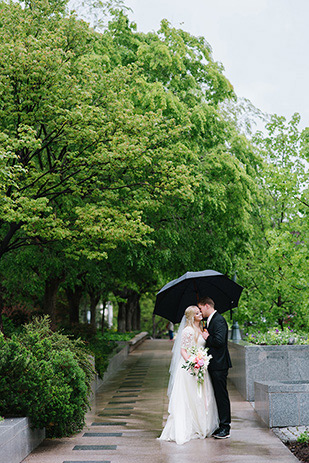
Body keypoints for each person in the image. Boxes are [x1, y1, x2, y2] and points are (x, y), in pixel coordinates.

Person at [159, 305, 219, 445]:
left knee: (202, 397)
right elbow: (183, 351)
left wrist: (202, 361)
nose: (200, 314)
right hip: (189, 368)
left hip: (201, 367)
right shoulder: (188, 330)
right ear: (192, 316)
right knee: (190, 397)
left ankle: (202, 425)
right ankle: (189, 426)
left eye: (200, 312)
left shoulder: (201, 328)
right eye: (197, 313)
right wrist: (193, 363)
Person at [198, 296, 232, 439]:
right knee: (216, 396)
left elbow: (219, 341)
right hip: (213, 364)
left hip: (219, 365)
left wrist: (207, 337)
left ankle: (225, 427)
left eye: (200, 308)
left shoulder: (219, 320)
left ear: (207, 306)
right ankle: (219, 425)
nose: (200, 311)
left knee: (221, 395)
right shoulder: (210, 320)